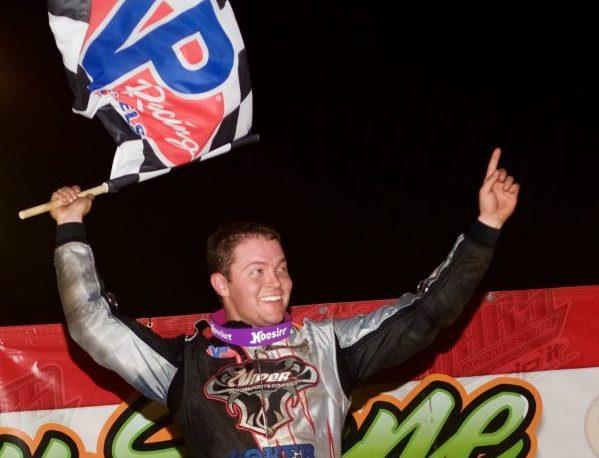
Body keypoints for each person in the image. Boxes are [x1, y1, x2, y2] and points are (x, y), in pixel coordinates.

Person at [51, 148, 519, 457]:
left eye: (280, 268)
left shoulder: (328, 346)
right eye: (257, 271)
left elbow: (426, 314)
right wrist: (71, 226)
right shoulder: (186, 364)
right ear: (221, 283)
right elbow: (93, 322)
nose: (276, 282)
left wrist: (486, 228)